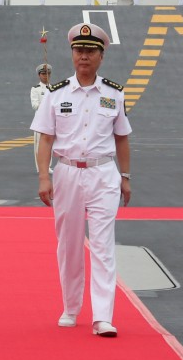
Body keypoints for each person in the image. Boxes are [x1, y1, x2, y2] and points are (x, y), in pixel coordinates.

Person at [31, 23, 132, 338]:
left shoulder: (114, 93)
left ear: (101, 56)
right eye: (79, 50)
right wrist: (43, 176)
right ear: (72, 53)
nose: (84, 57)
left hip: (103, 172)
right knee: (70, 243)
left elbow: (122, 138)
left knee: (103, 245)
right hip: (67, 172)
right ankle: (71, 307)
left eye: (90, 51)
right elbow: (45, 138)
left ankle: (103, 316)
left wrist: (125, 177)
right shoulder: (56, 93)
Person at [31, 63, 52, 172]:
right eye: (43, 74)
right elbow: (34, 105)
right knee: (39, 144)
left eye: (48, 74)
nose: (46, 76)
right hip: (40, 121)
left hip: (51, 120)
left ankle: (48, 166)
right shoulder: (36, 89)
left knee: (50, 145)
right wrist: (45, 103)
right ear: (39, 75)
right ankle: (40, 167)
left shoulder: (53, 88)